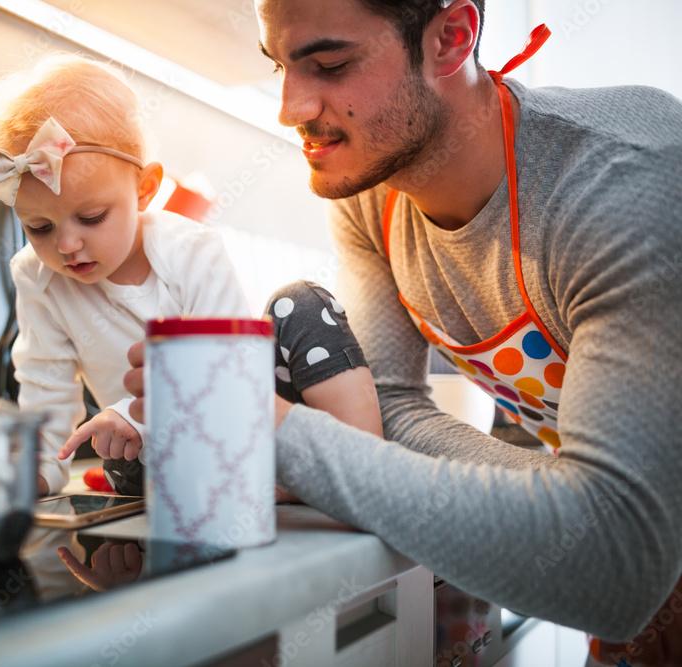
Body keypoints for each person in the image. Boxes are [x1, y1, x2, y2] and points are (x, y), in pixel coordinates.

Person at [123, 0, 682, 660]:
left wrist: (267, 424)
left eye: (330, 63)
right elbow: (385, 403)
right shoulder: (371, 188)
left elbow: (615, 569)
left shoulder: (623, 183)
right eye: (278, 65)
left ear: (450, 37)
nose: (289, 107)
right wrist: (562, 505)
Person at [0, 55, 382, 498]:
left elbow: (225, 368)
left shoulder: (191, 251)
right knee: (120, 462)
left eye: (91, 217)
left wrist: (131, 413)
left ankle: (358, 466)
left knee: (301, 303)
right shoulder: (36, 276)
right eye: (39, 227)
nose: (66, 245)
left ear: (145, 189)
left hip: (248, 424)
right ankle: (268, 485)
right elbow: (44, 387)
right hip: (165, 455)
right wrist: (39, 468)